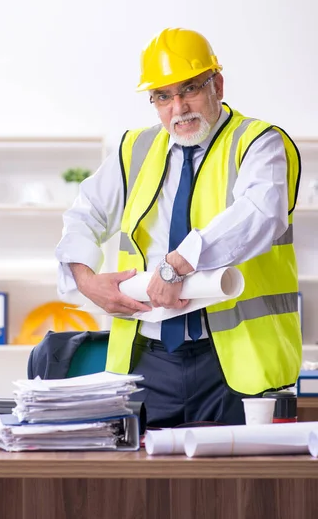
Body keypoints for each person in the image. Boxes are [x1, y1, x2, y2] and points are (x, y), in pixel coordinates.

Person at [56, 27, 302, 427]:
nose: (178, 107)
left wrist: (177, 264)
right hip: (147, 365)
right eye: (163, 96)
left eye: (189, 89)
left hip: (239, 368)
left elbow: (261, 213)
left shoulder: (259, 142)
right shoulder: (133, 149)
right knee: (143, 489)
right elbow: (83, 216)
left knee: (238, 490)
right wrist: (85, 280)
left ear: (217, 85)